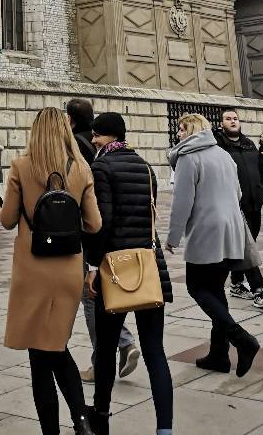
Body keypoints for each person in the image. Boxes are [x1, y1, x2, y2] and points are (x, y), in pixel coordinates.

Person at [2, 107, 101, 435]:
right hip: (68, 271)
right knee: (56, 346)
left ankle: (52, 432)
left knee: (39, 357)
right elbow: (94, 223)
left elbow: (6, 220)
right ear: (65, 131)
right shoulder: (82, 167)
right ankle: (82, 420)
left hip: (32, 271)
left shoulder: (21, 165)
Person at [84, 112, 173, 435]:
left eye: (95, 135)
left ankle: (102, 416)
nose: (92, 140)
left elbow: (101, 224)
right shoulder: (145, 167)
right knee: (155, 351)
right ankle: (165, 427)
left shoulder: (101, 167)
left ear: (106, 136)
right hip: (150, 265)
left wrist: (93, 266)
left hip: (116, 269)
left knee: (105, 350)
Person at [166, 112, 260, 377]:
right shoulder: (223, 154)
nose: (178, 135)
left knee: (197, 287)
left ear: (189, 129)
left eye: (180, 130)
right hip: (232, 229)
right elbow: (238, 192)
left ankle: (242, 339)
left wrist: (173, 237)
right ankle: (219, 354)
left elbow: (182, 201)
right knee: (216, 290)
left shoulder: (188, 157)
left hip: (207, 230)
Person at [65, 96, 139, 383]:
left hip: (93, 235)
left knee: (91, 294)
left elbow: (88, 202)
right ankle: (123, 342)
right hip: (125, 240)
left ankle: (104, 359)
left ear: (70, 119)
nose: (94, 139)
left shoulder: (79, 150)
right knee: (106, 292)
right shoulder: (133, 159)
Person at [213, 108, 263, 309]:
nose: (232, 121)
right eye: (228, 119)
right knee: (247, 246)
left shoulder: (249, 144)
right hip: (233, 206)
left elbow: (262, 169)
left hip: (254, 203)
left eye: (235, 118)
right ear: (221, 123)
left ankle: (237, 283)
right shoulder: (217, 146)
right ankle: (258, 290)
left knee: (248, 242)